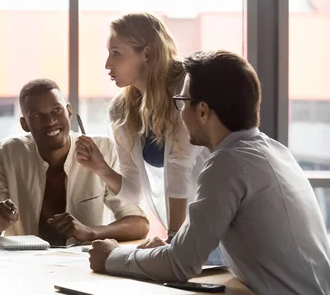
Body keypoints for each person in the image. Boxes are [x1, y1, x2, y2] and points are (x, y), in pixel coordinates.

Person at [88, 51, 330, 295]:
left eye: (181, 102)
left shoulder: (228, 163)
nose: (179, 113)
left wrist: (111, 256)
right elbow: (187, 252)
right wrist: (171, 249)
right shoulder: (274, 151)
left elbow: (180, 264)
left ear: (203, 111)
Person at [0, 79, 149, 245]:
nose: (50, 121)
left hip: (83, 267)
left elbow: (139, 223)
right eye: (37, 115)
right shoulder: (6, 152)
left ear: (69, 111)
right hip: (23, 266)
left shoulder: (102, 150)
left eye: (57, 110)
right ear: (25, 124)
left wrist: (90, 232)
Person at [76, 13, 208, 243]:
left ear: (146, 54)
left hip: (218, 222)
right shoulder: (122, 109)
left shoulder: (185, 87)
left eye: (116, 53)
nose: (108, 64)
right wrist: (101, 168)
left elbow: (179, 167)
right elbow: (133, 192)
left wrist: (173, 241)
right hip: (186, 232)